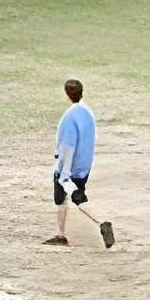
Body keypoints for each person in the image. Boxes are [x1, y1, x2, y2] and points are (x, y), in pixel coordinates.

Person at [49, 77, 111, 248]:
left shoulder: (69, 117)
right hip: (85, 165)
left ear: (66, 95)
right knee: (76, 197)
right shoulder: (88, 112)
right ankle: (61, 234)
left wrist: (64, 172)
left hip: (69, 168)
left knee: (67, 199)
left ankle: (100, 223)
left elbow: (67, 147)